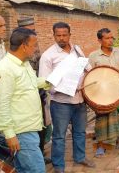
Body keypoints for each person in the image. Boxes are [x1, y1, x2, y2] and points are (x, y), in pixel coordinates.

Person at [39, 22, 95, 173]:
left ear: (70, 35)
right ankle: (58, 165)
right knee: (59, 136)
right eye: (58, 35)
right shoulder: (48, 56)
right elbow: (45, 82)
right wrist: (66, 88)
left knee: (80, 132)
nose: (62, 38)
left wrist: (92, 76)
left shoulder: (77, 50)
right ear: (54, 35)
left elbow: (86, 68)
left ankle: (80, 157)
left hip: (80, 100)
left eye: (65, 35)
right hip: (61, 103)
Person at [0, 28, 46, 172]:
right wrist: (10, 135)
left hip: (29, 128)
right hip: (21, 132)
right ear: (23, 46)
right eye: (34, 45)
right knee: (36, 170)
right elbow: (0, 105)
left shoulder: (24, 63)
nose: (36, 49)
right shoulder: (4, 69)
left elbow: (32, 83)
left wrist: (51, 81)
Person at [88, 28, 119, 157]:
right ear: (99, 40)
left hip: (118, 92)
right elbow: (89, 74)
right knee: (102, 120)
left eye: (111, 38)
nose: (110, 40)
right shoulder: (94, 56)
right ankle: (101, 146)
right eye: (107, 38)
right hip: (102, 94)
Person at [17, 17, 52, 164]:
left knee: (43, 125)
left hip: (39, 89)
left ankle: (41, 152)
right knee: (31, 128)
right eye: (29, 31)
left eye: (34, 30)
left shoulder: (35, 44)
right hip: (26, 91)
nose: (33, 33)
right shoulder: (18, 47)